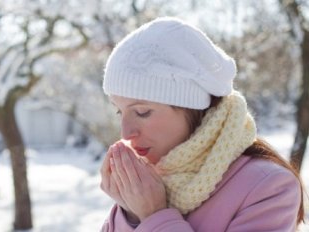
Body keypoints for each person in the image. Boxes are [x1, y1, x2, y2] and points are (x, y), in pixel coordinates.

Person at [100, 17, 304, 231]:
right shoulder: (148, 184)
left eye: (142, 112)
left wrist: (153, 215)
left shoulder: (268, 187)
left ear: (192, 108)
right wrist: (131, 214)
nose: (126, 132)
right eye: (119, 111)